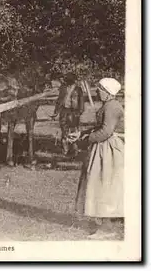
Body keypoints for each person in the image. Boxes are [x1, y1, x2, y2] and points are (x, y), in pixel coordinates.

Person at [75, 77, 124, 240]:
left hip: (108, 149)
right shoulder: (109, 105)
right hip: (103, 146)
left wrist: (86, 139)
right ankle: (106, 222)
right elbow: (101, 127)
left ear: (108, 92)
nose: (97, 92)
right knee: (101, 183)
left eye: (100, 90)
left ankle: (106, 227)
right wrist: (83, 133)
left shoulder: (112, 106)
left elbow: (106, 131)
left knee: (104, 184)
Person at [51, 73, 85, 156]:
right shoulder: (63, 88)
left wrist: (79, 112)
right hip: (64, 112)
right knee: (64, 131)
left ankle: (75, 151)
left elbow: (81, 102)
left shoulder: (78, 89)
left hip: (74, 112)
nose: (65, 80)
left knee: (73, 132)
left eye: (67, 79)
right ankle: (65, 151)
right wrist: (56, 112)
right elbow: (59, 100)